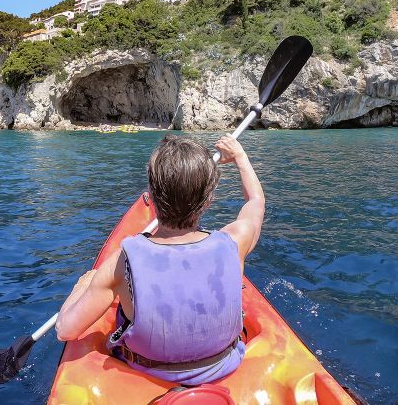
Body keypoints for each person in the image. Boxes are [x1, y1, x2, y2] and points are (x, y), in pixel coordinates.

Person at [55, 135, 265, 385]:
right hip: (225, 365)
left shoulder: (124, 260)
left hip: (149, 373)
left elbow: (65, 330)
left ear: (152, 198)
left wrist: (83, 285)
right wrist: (240, 157)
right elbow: (256, 201)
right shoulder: (236, 241)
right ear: (208, 200)